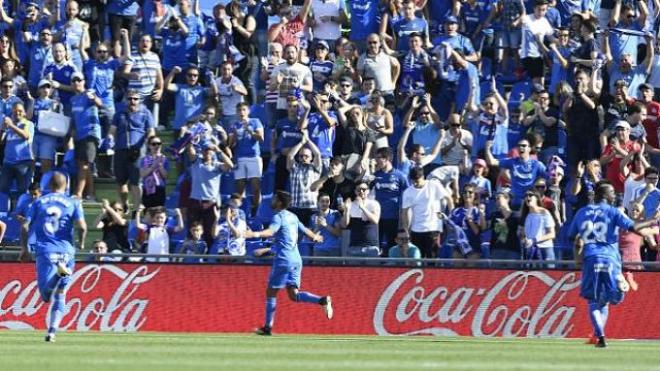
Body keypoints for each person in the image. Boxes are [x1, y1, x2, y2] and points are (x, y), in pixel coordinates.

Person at [568, 181, 659, 347]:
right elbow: (634, 226)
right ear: (605, 195)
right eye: (612, 192)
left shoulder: (582, 212)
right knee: (611, 300)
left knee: (593, 302)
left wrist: (577, 256)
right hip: (611, 258)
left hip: (590, 257)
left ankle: (600, 336)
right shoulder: (612, 211)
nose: (614, 195)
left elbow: (572, 237)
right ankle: (618, 286)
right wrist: (653, 221)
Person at [242, 190, 332, 336]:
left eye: (274, 198)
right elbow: (305, 231)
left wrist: (253, 234)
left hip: (284, 259)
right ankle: (322, 300)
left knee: (271, 292)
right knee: (293, 294)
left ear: (279, 202)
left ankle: (267, 327)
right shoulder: (293, 217)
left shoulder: (278, 217)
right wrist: (315, 236)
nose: (271, 200)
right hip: (297, 259)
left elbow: (271, 232)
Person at [21, 171, 87, 342]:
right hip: (67, 251)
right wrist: (81, 243)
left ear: (50, 185)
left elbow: (25, 226)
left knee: (45, 295)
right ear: (65, 186)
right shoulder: (73, 203)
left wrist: (24, 249)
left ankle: (59, 273)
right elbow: (82, 227)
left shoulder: (38, 202)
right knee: (61, 292)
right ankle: (51, 332)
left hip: (46, 250)